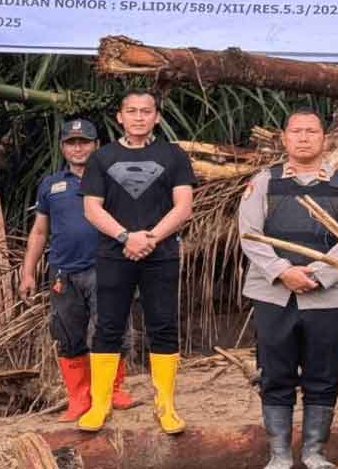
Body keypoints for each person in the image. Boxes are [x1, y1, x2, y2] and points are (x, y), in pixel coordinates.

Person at [239, 108, 338, 469]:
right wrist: (283, 271)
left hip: (327, 296)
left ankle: (314, 452)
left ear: (324, 139)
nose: (303, 137)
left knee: (323, 373)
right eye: (295, 131)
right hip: (273, 294)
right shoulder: (264, 182)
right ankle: (279, 455)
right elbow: (248, 234)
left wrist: (315, 274)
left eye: (310, 131)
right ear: (284, 138)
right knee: (275, 372)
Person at [77, 89, 195, 433]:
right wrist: (126, 237)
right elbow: (91, 208)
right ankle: (100, 404)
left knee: (163, 326)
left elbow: (183, 206)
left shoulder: (173, 156)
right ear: (120, 116)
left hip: (162, 255)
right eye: (132, 111)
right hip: (114, 253)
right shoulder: (102, 158)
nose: (139, 117)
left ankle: (166, 405)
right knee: (108, 326)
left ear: (156, 116)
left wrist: (152, 238)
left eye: (146, 111)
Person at [19, 119, 135, 423]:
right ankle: (79, 397)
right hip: (63, 272)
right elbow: (40, 231)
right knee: (68, 334)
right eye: (71, 142)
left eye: (84, 141)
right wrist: (27, 272)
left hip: (107, 267)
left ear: (96, 145)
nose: (78, 147)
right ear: (62, 147)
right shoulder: (50, 184)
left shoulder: (113, 179)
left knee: (111, 329)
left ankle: (113, 389)